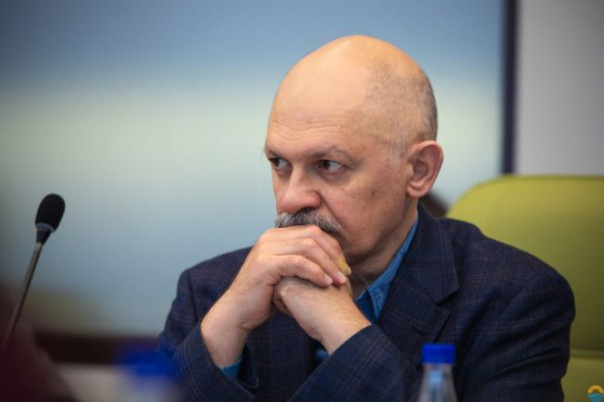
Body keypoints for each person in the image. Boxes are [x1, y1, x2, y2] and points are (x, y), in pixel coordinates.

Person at [159, 35, 574, 401]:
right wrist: (223, 332)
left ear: (419, 171)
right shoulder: (212, 292)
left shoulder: (514, 300)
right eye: (279, 163)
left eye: (329, 165)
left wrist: (342, 328)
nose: (291, 199)